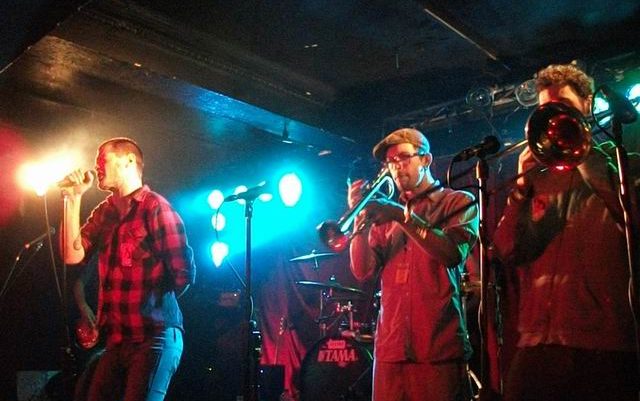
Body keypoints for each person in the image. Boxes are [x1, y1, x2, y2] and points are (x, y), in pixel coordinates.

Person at [492, 63, 640, 401]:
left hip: (603, 343)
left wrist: (586, 157)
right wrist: (519, 191)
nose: (556, 119)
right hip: (536, 343)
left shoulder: (624, 165)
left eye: (565, 107)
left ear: (586, 105)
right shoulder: (537, 179)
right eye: (547, 111)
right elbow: (505, 251)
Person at [60, 137, 196, 401]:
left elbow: (183, 274)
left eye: (103, 159)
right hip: (117, 341)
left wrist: (151, 307)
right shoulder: (105, 212)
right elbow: (71, 254)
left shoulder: (155, 208)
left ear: (129, 161)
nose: (97, 166)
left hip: (153, 337)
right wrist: (72, 198)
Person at [348, 128, 479, 401]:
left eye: (403, 158)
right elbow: (362, 271)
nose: (396, 167)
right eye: (390, 162)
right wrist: (359, 220)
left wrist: (401, 216)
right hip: (390, 350)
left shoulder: (458, 202)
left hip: (438, 348)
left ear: (426, 160)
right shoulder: (385, 213)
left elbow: (452, 254)